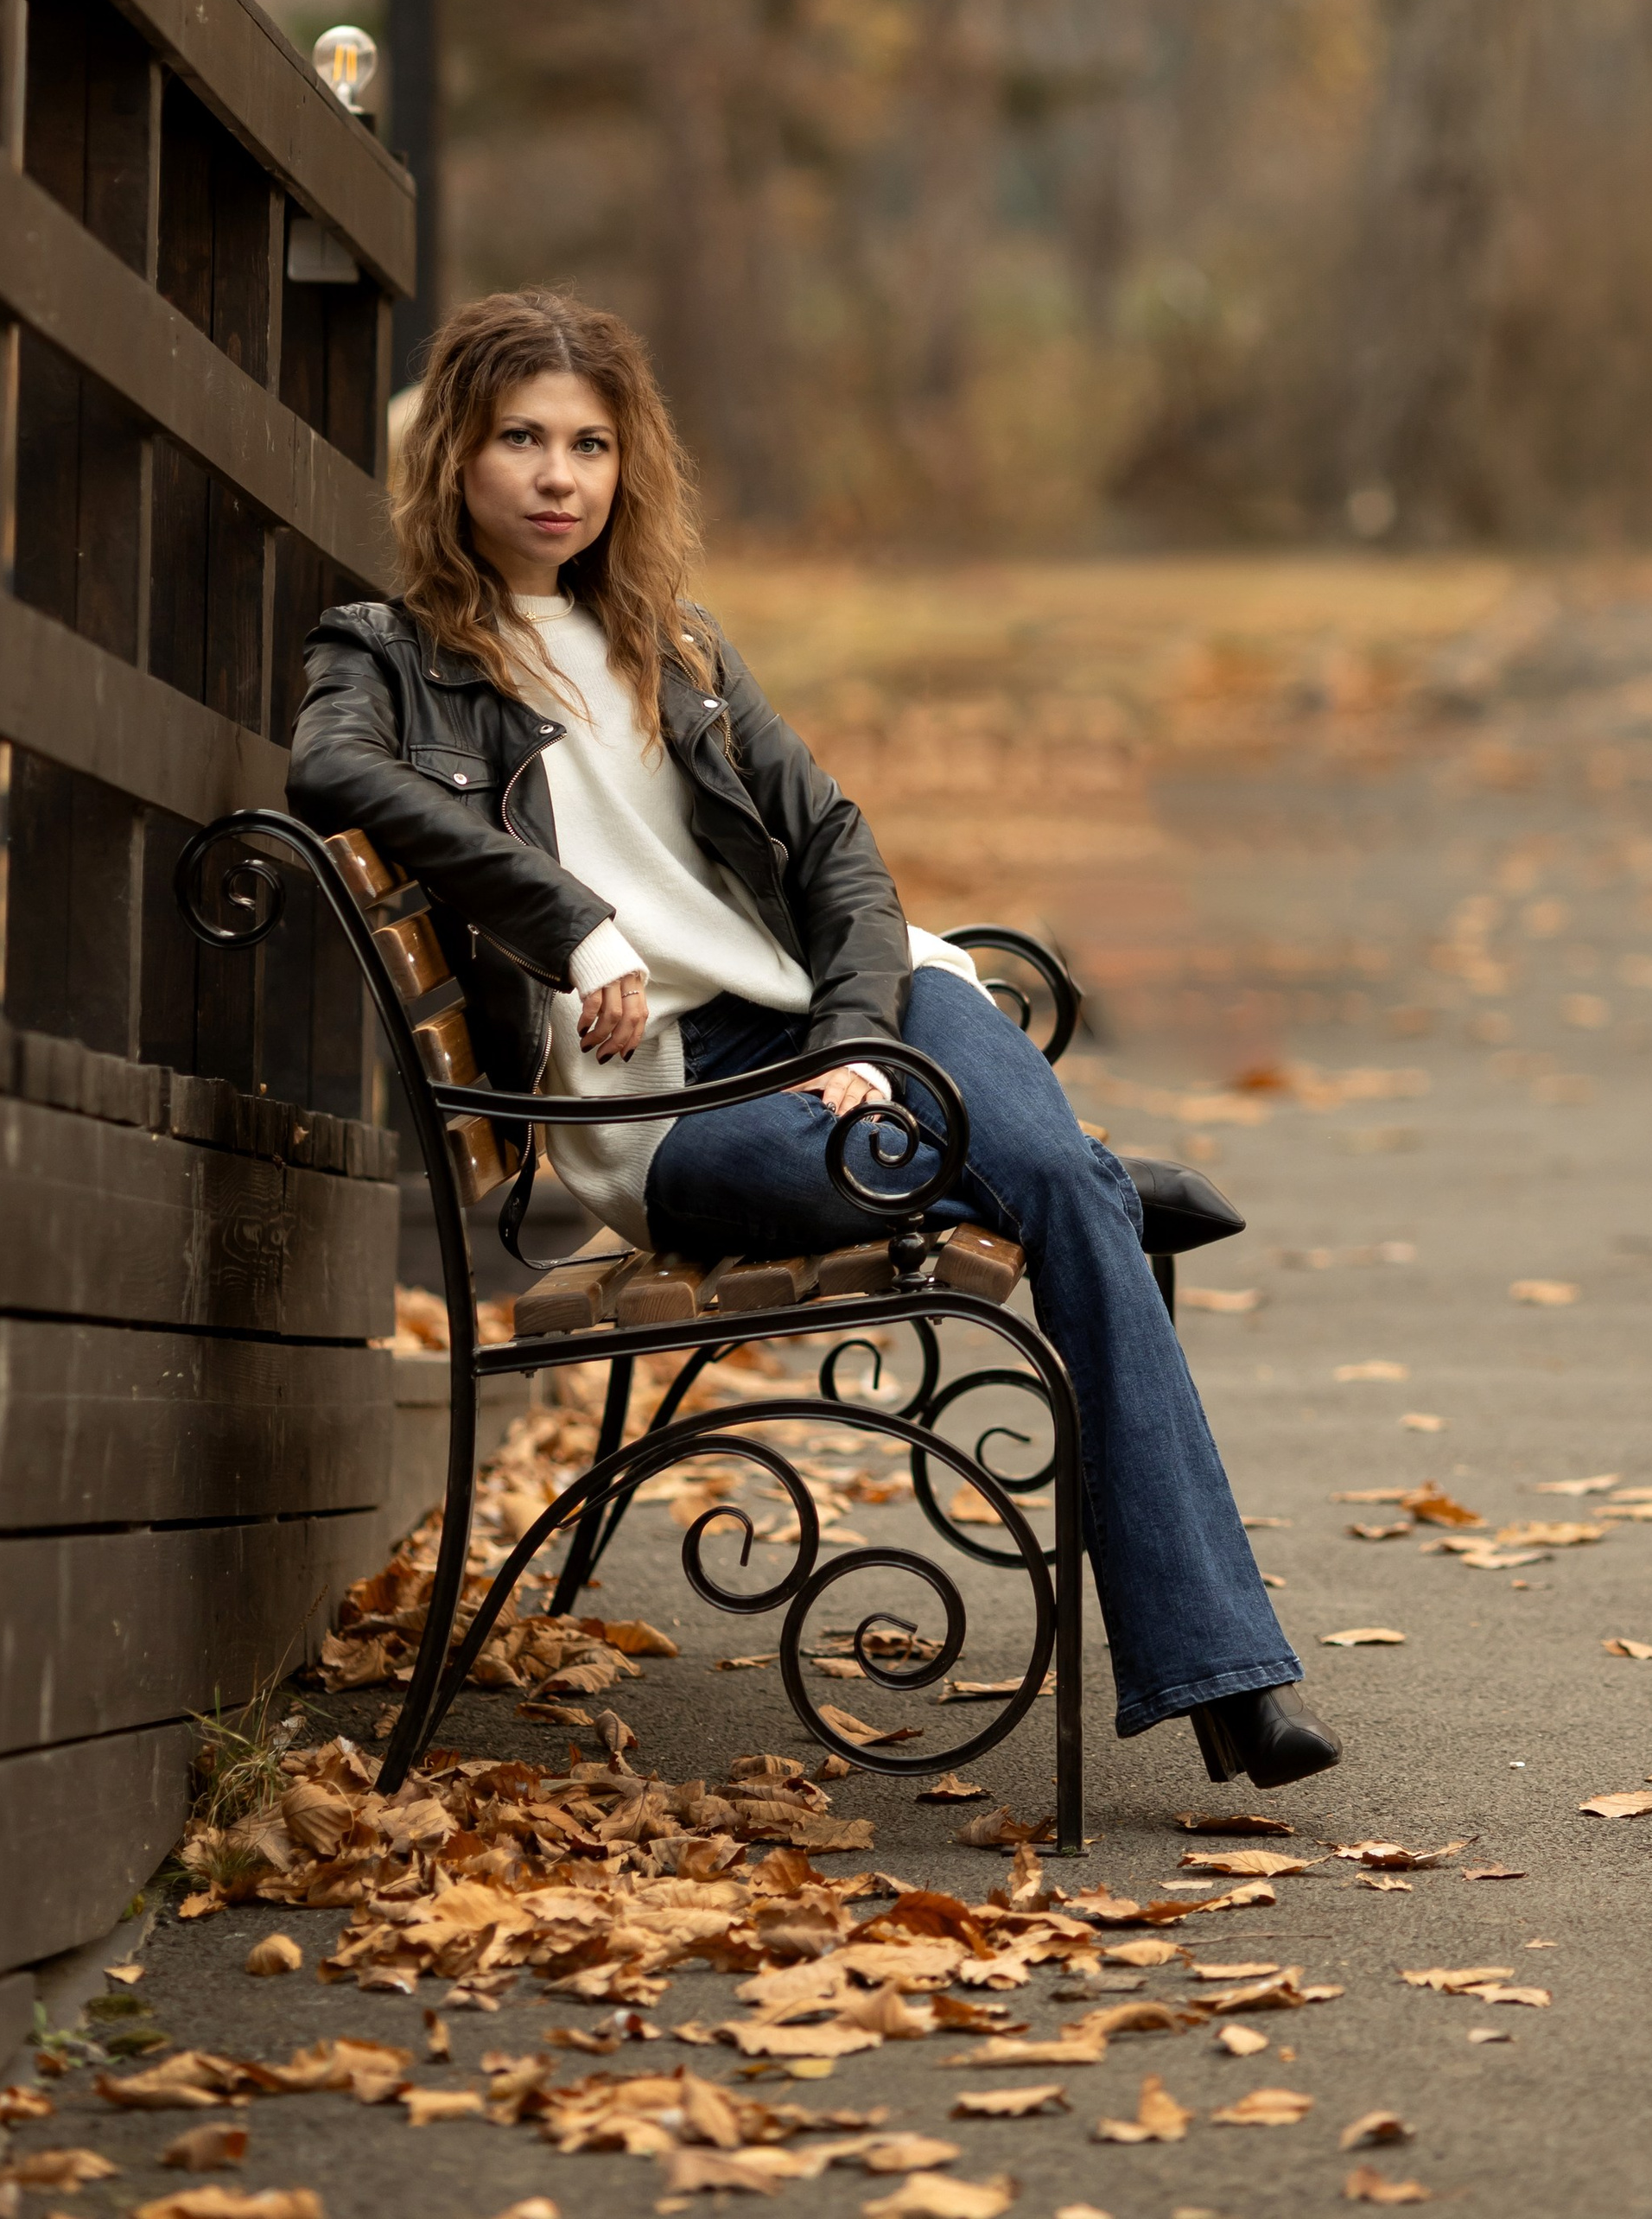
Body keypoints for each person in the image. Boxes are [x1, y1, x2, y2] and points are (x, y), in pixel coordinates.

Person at [288, 289, 1338, 1789]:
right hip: (672, 1109)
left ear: (625, 467)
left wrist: (852, 1028)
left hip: (854, 1027)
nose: (555, 474)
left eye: (589, 443)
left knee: (980, 1120)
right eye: (519, 437)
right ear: (455, 454)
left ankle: (1232, 1684)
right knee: (1065, 1193)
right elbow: (327, 770)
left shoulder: (681, 648)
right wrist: (576, 924)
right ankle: (1086, 1188)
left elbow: (838, 848)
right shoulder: (386, 654)